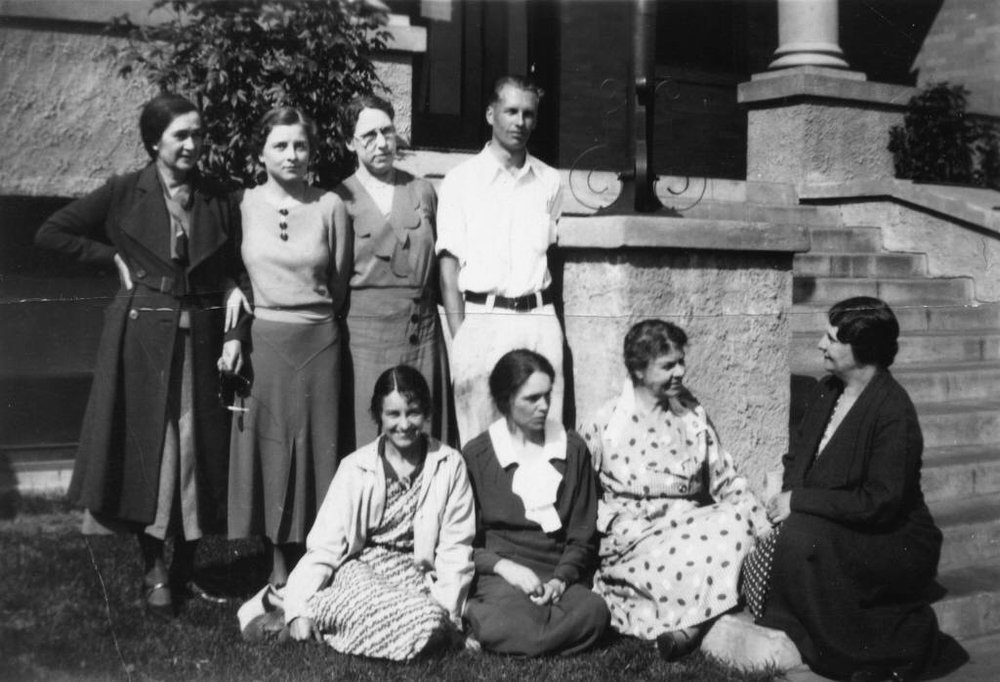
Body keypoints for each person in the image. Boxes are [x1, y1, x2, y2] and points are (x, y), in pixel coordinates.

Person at [34, 93, 246, 616]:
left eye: (198, 133)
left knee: (199, 452)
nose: (194, 144)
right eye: (181, 135)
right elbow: (50, 232)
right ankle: (153, 567)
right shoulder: (124, 192)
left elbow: (239, 261)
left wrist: (239, 289)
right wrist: (111, 257)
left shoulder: (219, 197)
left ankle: (185, 567)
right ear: (154, 141)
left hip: (202, 339)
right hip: (141, 342)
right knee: (151, 454)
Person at [744, 297, 944, 681]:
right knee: (794, 538)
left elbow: (881, 502)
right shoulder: (827, 390)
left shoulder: (893, 411)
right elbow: (797, 458)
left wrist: (799, 502)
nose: (821, 344)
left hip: (893, 537)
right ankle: (818, 638)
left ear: (862, 351)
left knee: (804, 541)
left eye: (832, 339)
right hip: (839, 521)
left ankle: (879, 649)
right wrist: (784, 499)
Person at [580, 319, 770, 660]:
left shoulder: (692, 414)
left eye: (682, 361)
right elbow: (582, 495)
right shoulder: (605, 423)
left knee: (736, 520)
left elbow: (725, 479)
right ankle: (700, 619)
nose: (680, 371)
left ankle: (690, 628)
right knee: (686, 558)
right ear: (638, 369)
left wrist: (761, 522)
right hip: (633, 539)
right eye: (668, 365)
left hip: (687, 527)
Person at [221, 107, 350, 590]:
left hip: (318, 341)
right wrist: (235, 290)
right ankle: (277, 569)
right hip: (266, 342)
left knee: (318, 452)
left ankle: (315, 566)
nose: (292, 155)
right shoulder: (243, 203)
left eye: (300, 145)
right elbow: (231, 267)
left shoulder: (329, 206)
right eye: (280, 145)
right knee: (272, 451)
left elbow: (337, 285)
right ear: (261, 153)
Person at [273, 365, 475, 661]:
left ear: (427, 412)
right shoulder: (355, 466)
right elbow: (325, 546)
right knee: (416, 619)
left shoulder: (449, 464)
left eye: (413, 412)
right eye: (393, 414)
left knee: (431, 616)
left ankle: (312, 616)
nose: (404, 424)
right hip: (362, 571)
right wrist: (298, 609)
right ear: (378, 416)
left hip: (417, 575)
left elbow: (456, 547)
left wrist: (450, 612)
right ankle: (299, 611)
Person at [436, 75, 565, 446]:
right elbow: (448, 269)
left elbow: (552, 257)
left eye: (528, 114)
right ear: (491, 113)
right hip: (482, 320)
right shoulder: (461, 180)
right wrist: (462, 336)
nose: (519, 122)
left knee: (544, 430)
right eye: (510, 111)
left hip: (538, 320)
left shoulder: (549, 181)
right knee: (480, 435)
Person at [462, 349, 609, 656]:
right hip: (502, 574)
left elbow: (582, 537)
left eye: (547, 396)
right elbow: (465, 542)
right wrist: (506, 568)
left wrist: (560, 580)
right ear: (505, 400)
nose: (544, 407)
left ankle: (495, 632)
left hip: (556, 571)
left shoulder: (572, 449)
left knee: (595, 611)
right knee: (526, 629)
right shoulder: (478, 455)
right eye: (532, 399)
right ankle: (489, 618)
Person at [336, 94, 453, 448]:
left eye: (387, 131)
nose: (382, 143)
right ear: (349, 143)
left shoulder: (422, 191)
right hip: (365, 340)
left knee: (424, 431)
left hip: (423, 334)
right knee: (370, 435)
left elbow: (442, 267)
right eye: (368, 136)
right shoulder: (339, 199)